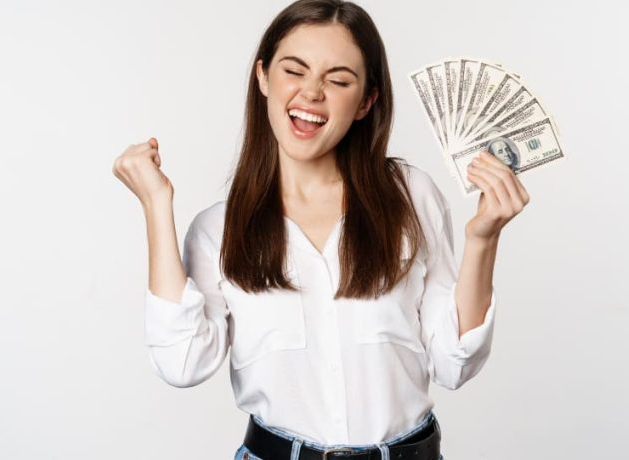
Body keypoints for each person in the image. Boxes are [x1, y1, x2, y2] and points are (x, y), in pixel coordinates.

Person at [112, 0, 530, 458]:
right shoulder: (218, 229)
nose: (312, 93)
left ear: (366, 101)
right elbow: (182, 363)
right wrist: (156, 204)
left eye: (338, 80)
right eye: (295, 70)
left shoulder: (411, 196)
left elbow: (455, 363)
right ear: (263, 77)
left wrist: (483, 239)